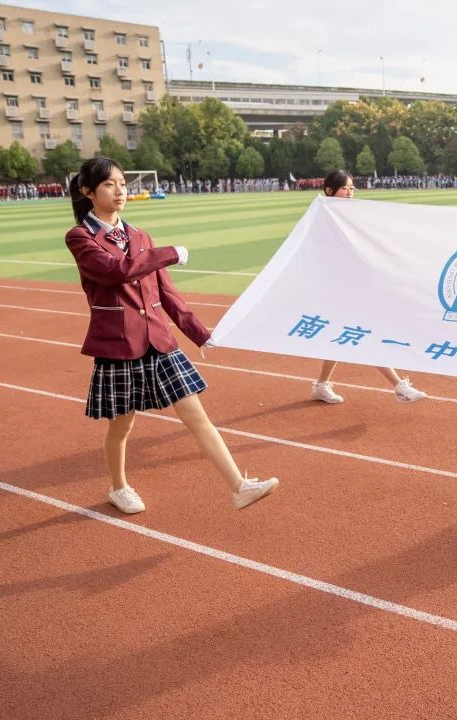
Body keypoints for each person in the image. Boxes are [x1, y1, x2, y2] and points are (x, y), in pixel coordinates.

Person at [66, 157, 279, 514]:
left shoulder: (139, 235)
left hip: (159, 341)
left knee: (197, 417)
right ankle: (118, 487)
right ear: (88, 192)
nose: (119, 190)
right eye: (108, 184)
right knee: (122, 427)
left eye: (122, 183)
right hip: (120, 346)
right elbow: (116, 271)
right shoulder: (80, 237)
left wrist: (199, 333)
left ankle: (240, 486)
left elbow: (167, 293)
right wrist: (169, 253)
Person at [308, 170, 428, 405]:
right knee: (364, 332)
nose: (350, 193)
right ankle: (399, 386)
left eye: (353, 188)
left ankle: (321, 385)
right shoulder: (324, 216)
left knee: (343, 335)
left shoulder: (350, 215)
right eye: (345, 188)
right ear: (329, 191)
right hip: (337, 288)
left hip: (351, 286)